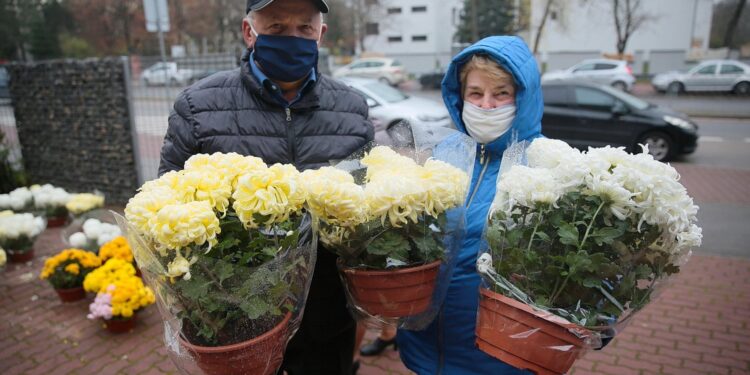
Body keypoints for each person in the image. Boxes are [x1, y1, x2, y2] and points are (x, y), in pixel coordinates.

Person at [158, 0, 374, 374]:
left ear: (320, 35)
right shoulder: (198, 107)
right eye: (276, 27)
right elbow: (164, 204)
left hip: (326, 312)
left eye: (304, 28)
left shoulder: (352, 109)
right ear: (249, 32)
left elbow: (368, 208)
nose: (292, 37)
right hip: (237, 313)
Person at [396, 36, 543, 373]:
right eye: (475, 94)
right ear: (460, 96)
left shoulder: (547, 164)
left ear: (524, 97)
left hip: (500, 358)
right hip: (425, 350)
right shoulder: (447, 152)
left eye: (501, 93)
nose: (486, 105)